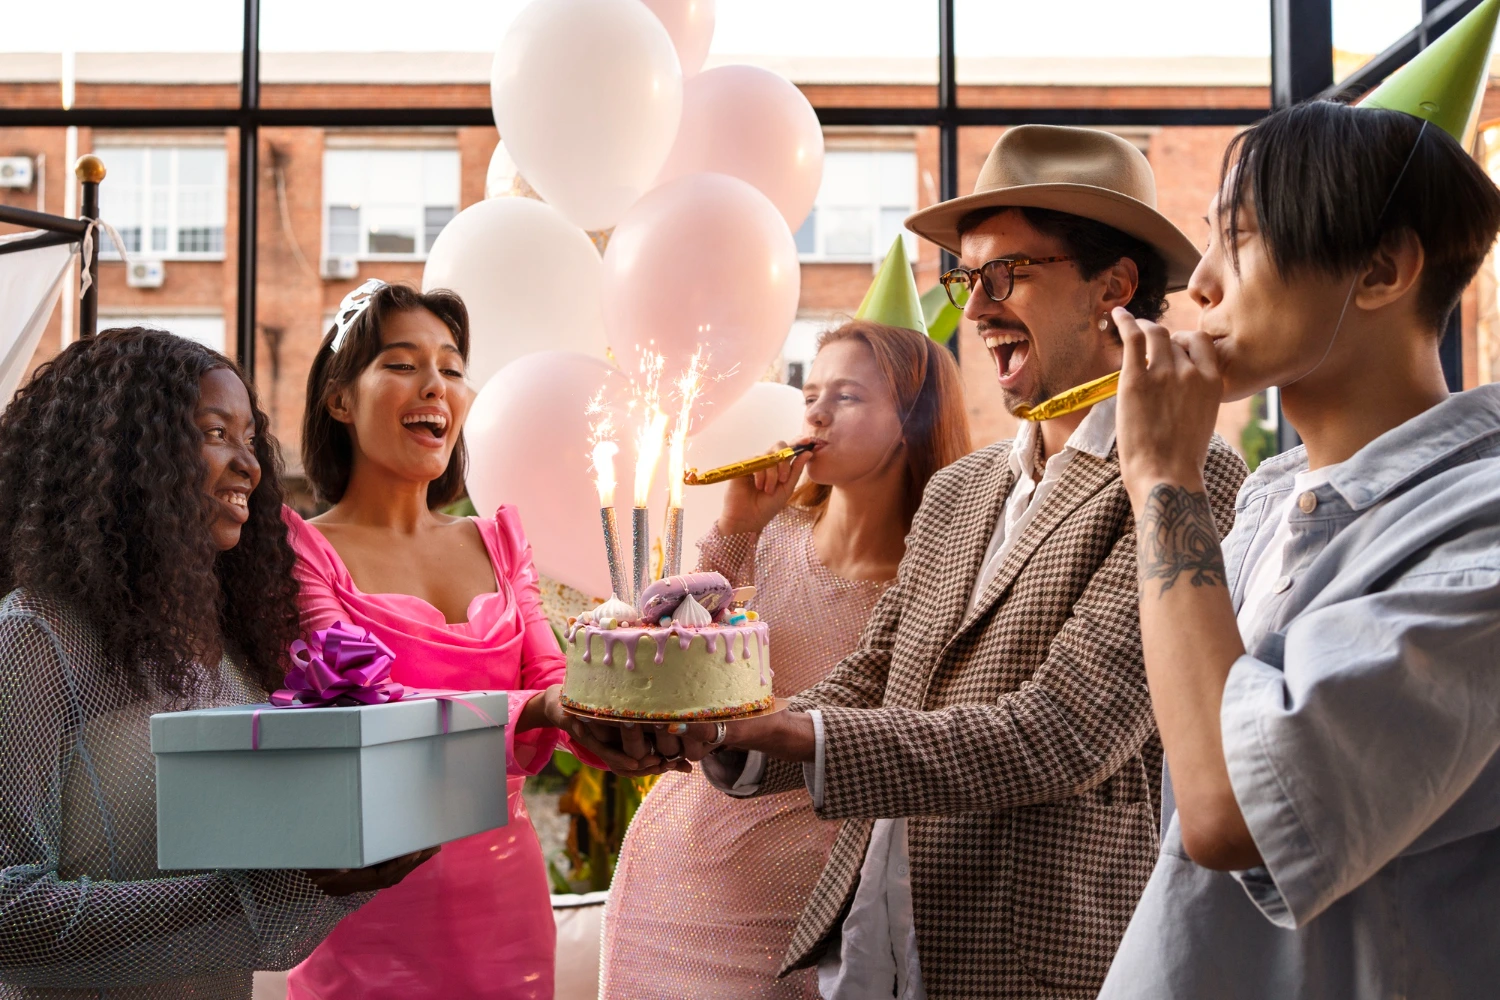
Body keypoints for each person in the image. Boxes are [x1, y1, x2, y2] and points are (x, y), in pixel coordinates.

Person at [655, 126, 1249, 998]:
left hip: (1034, 966)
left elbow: (1062, 733)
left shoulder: (1191, 477)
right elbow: (876, 676)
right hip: (874, 947)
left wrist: (778, 730)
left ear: (1114, 288)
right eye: (967, 280)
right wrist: (724, 735)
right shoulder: (961, 489)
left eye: (1004, 275)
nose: (975, 312)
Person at [1100, 18, 1500, 998]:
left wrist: (1165, 482)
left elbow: (1229, 810)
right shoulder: (1272, 496)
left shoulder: (1480, 525)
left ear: (1382, 270)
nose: (1198, 285)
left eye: (1237, 238)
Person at [0, 329, 429, 1000]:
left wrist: (347, 856)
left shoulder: (226, 653)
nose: (249, 466)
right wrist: (262, 893)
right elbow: (7, 918)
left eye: (250, 439)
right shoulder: (35, 636)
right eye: (215, 433)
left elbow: (263, 904)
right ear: (126, 453)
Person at [281, 281, 654, 1000]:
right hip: (366, 909)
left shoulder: (499, 541)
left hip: (508, 911)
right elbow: (363, 711)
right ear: (338, 399)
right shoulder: (299, 551)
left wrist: (627, 718)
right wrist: (537, 711)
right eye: (401, 364)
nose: (436, 386)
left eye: (452, 368)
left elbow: (557, 687)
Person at [601, 314, 972, 999]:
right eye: (811, 396)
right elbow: (679, 649)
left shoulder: (947, 576)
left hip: (813, 897)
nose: (817, 415)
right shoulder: (774, 533)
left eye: (847, 397)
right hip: (679, 862)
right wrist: (738, 526)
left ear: (912, 421)